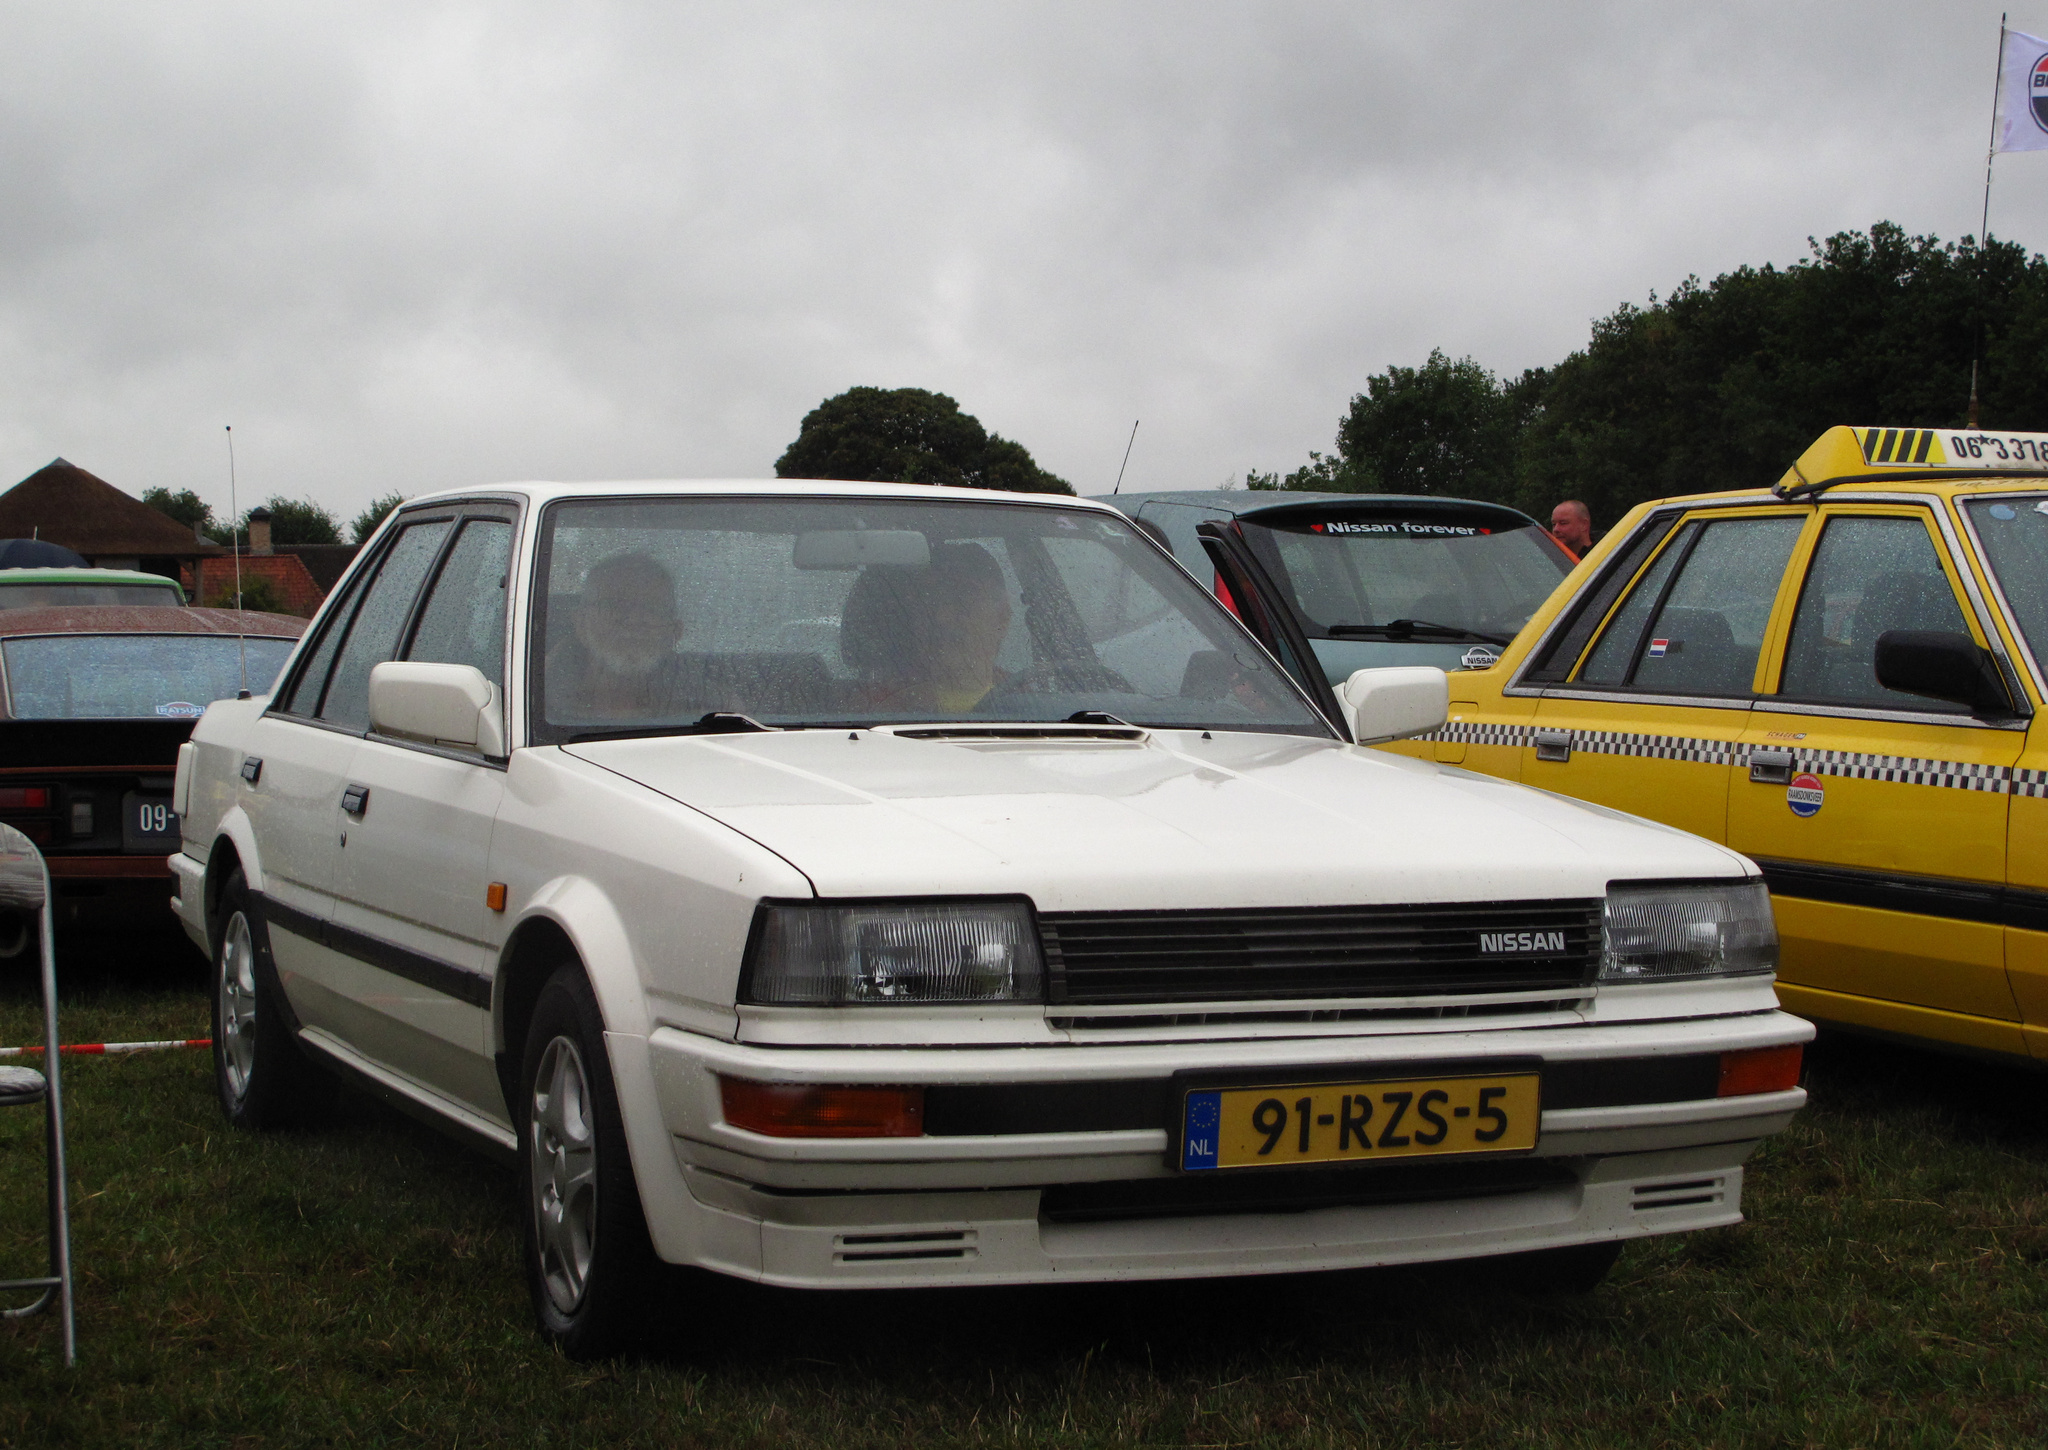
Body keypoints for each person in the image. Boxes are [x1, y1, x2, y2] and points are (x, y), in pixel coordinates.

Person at [840, 541, 1013, 714]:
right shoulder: (869, 713)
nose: (941, 617)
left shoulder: (1032, 699)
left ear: (1002, 618)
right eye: (929, 602)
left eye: (962, 599)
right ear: (913, 621)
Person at [547, 552, 697, 721]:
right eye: (614, 605)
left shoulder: (709, 709)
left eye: (652, 608)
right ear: (580, 623)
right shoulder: (527, 694)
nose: (633, 619)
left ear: (675, 631)